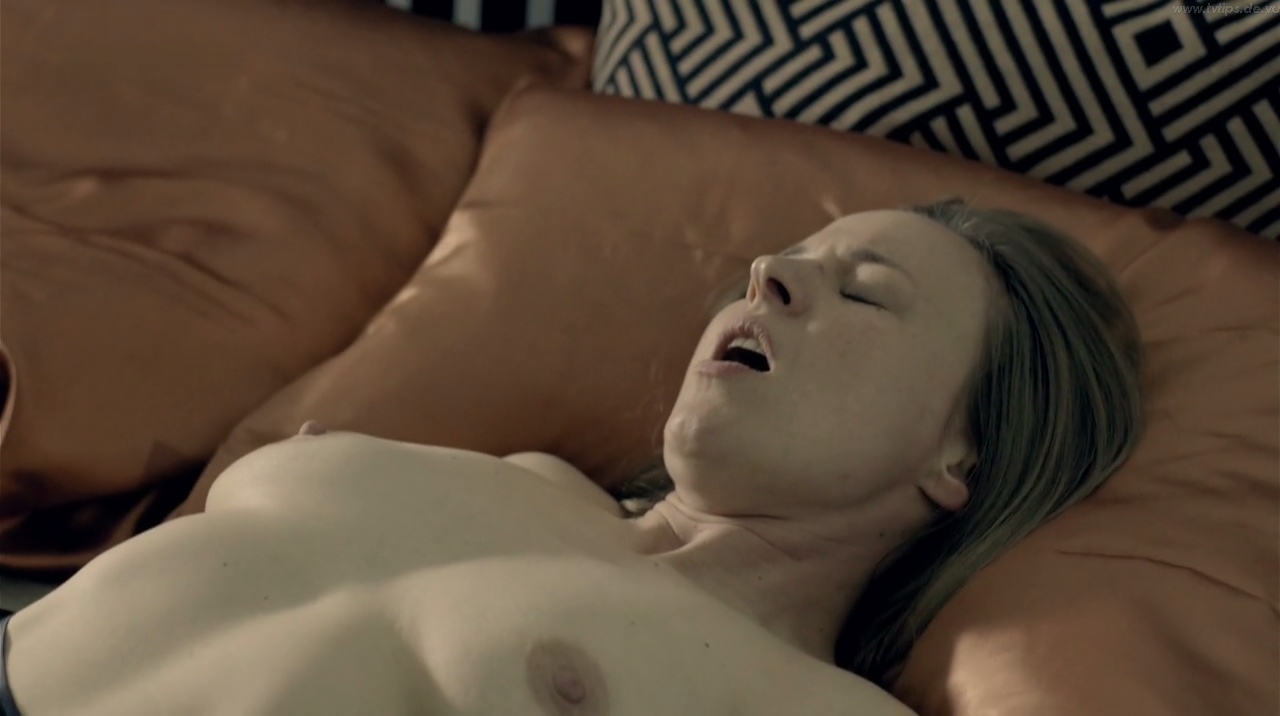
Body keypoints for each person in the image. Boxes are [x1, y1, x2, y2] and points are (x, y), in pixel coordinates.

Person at [0, 199, 1143, 715]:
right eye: (784, 258)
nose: (770, 275)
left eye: (865, 291)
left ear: (960, 451)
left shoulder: (810, 706)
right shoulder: (522, 477)